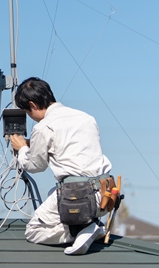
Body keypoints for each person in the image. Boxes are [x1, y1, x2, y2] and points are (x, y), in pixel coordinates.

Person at [9, 77, 113, 255]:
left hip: (79, 196)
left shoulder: (44, 127)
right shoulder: (86, 118)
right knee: (53, 193)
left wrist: (23, 149)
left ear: (32, 105)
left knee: (34, 230)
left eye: (27, 111)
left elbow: (35, 165)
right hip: (105, 195)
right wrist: (32, 144)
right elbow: (73, 152)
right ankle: (89, 226)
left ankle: (82, 230)